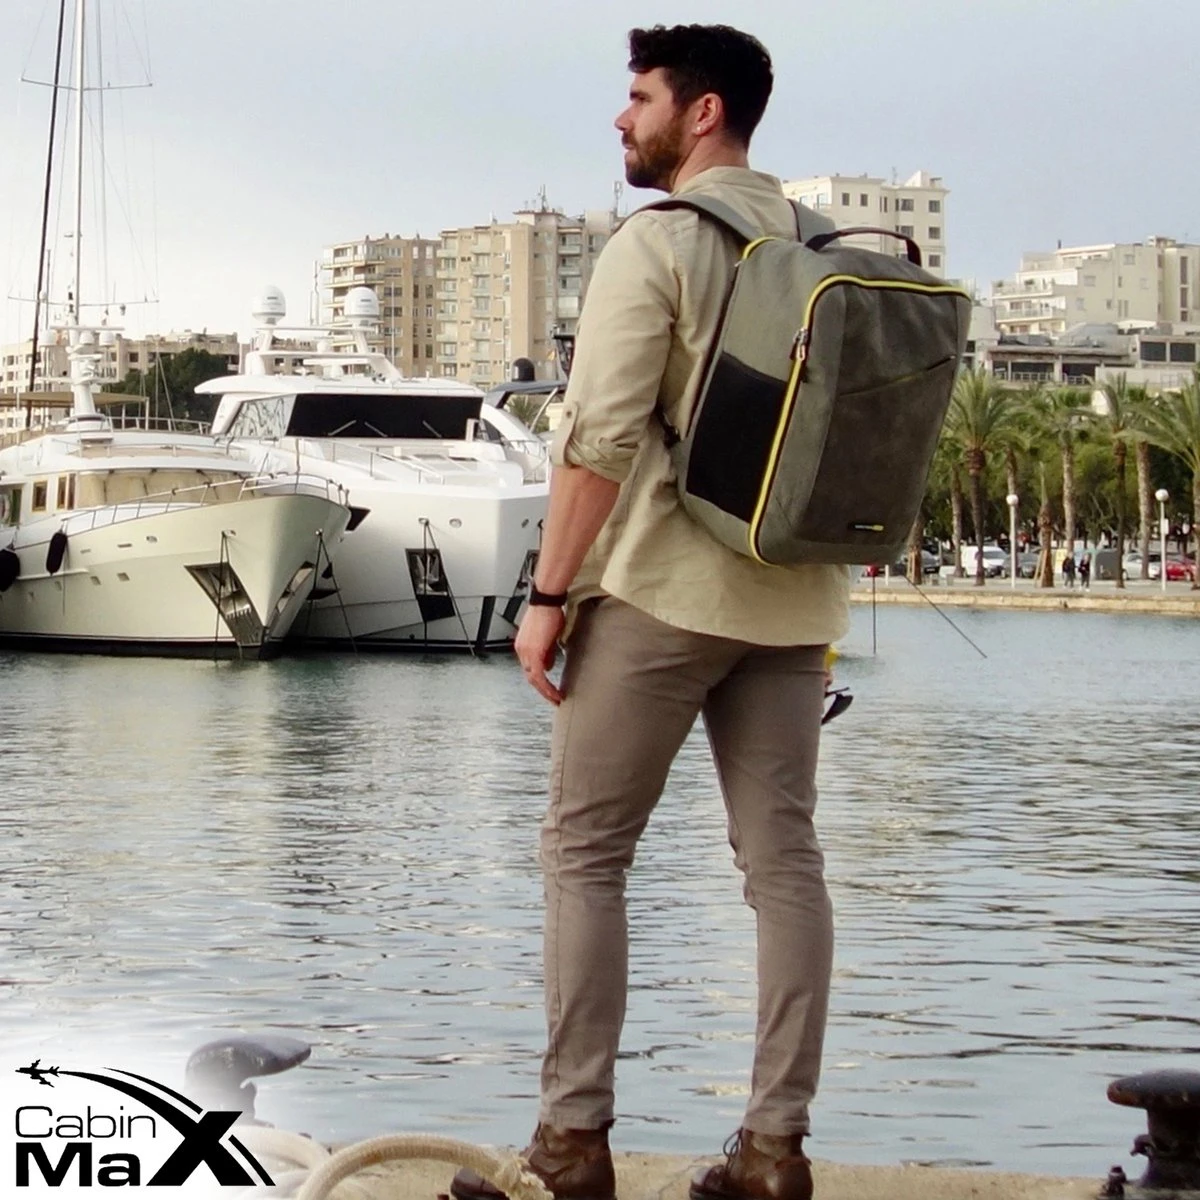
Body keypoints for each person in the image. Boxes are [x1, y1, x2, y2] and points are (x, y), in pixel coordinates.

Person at [449, 24, 849, 1200]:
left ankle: (570, 1147)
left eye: (639, 98)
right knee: (784, 863)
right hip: (794, 603)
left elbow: (600, 442)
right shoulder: (820, 245)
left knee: (584, 852)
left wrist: (546, 596)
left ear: (703, 111)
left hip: (665, 591)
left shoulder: (661, 242)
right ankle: (774, 1151)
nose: (622, 119)